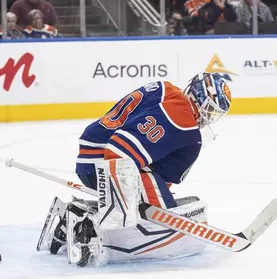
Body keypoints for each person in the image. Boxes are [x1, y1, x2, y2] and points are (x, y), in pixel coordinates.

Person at [40, 73, 232, 266]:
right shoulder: (181, 115)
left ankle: (77, 217)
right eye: (208, 108)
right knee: (157, 211)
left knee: (146, 189)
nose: (208, 117)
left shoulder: (167, 89)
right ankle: (91, 227)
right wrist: (152, 208)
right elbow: (118, 151)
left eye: (214, 114)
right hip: (102, 162)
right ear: (195, 96)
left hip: (93, 155)